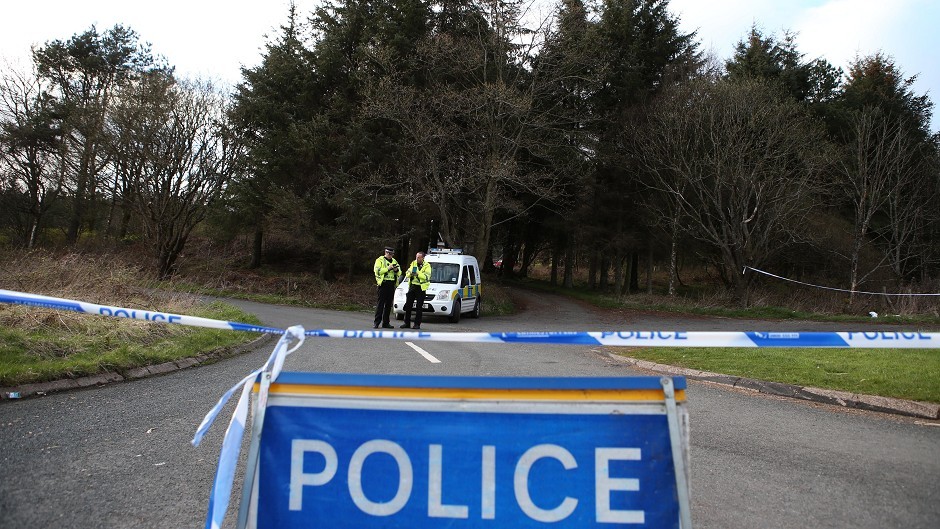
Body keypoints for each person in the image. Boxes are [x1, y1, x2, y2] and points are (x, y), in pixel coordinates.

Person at [400, 251, 431, 329]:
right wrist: (410, 274)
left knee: (419, 307)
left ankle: (417, 324)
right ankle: (406, 323)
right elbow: (407, 273)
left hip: (421, 287)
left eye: (418, 257)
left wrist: (417, 274)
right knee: (408, 305)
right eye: (416, 257)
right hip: (412, 286)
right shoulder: (413, 263)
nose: (417, 258)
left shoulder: (427, 266)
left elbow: (426, 277)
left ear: (423, 258)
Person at [373, 246, 400, 328]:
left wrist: (396, 270)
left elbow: (399, 272)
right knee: (380, 304)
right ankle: (376, 322)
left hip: (391, 284)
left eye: (391, 254)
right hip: (383, 284)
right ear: (385, 253)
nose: (390, 255)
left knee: (388, 305)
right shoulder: (380, 260)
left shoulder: (394, 261)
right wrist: (388, 268)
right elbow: (377, 271)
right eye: (388, 253)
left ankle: (386, 323)